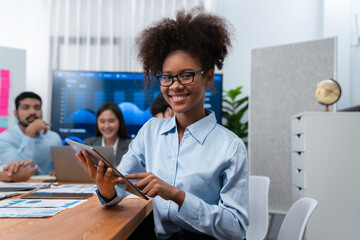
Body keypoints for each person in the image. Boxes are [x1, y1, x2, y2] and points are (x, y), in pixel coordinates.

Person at [77, 7, 248, 240]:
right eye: (167, 77)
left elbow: (236, 228)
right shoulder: (150, 131)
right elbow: (121, 184)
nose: (175, 86)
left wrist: (177, 195)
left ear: (208, 77)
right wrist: (107, 190)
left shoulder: (230, 146)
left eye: (186, 75)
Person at [0, 91, 62, 175]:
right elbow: (17, 171)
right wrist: (30, 134)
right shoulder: (4, 139)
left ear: (41, 112)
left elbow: (60, 169)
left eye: (37, 108)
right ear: (15, 113)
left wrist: (58, 172)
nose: (32, 112)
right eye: (26, 108)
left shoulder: (54, 138)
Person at [83, 102, 131, 166]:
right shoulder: (88, 145)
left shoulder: (131, 147)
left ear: (120, 121)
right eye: (102, 121)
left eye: (111, 121)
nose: (107, 126)